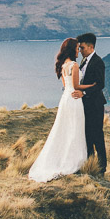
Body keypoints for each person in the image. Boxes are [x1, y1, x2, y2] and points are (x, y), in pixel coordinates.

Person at [27, 38, 94, 182]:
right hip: (75, 100)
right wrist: (91, 86)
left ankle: (61, 158)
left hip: (65, 99)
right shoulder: (74, 65)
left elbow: (67, 85)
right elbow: (76, 86)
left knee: (64, 128)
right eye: (77, 48)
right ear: (72, 49)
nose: (78, 51)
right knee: (75, 129)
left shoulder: (63, 65)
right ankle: (73, 160)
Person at [76, 32, 107, 174]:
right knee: (87, 135)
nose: (80, 50)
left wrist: (84, 93)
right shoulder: (83, 61)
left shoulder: (97, 62)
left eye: (82, 48)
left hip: (95, 105)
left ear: (90, 46)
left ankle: (101, 167)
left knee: (97, 136)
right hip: (85, 105)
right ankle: (90, 164)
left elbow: (100, 84)